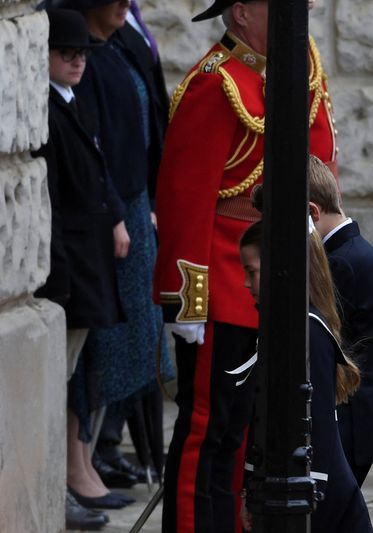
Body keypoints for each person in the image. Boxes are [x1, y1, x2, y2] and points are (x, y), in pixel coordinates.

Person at [153, 1, 338, 530]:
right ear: (239, 14)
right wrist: (186, 299)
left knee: (250, 434)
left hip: (274, 284)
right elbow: (184, 199)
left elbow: (321, 164)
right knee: (209, 429)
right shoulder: (216, 82)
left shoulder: (298, 70)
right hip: (220, 284)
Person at [33, 7, 128, 529]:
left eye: (81, 54)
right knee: (58, 384)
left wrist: (116, 218)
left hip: (87, 263)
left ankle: (70, 475)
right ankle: (58, 484)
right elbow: (55, 200)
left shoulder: (71, 102)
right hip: (68, 268)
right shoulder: (46, 110)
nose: (76, 62)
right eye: (65, 54)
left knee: (72, 376)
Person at [237, 216, 373, 533]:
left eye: (252, 272)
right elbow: (261, 418)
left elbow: (320, 429)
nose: (246, 283)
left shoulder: (309, 331)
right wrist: (250, 490)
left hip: (324, 501)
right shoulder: (282, 326)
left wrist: (311, 504)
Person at [91, 0, 172, 489]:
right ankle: (101, 450)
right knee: (119, 335)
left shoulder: (129, 27)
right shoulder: (97, 41)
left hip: (140, 199)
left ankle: (112, 444)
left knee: (141, 334)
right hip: (120, 205)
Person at [308, 156, 373, 486]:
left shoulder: (341, 262)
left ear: (313, 213)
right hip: (353, 424)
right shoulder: (350, 251)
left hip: (346, 427)